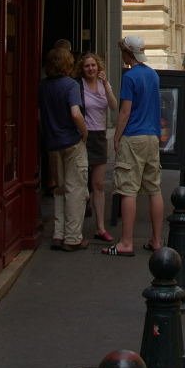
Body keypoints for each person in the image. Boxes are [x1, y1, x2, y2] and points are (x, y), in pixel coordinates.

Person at [103, 35, 163, 256]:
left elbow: (125, 111)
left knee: (128, 190)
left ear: (128, 53)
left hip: (134, 137)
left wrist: (117, 137)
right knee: (154, 189)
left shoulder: (130, 77)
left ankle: (126, 242)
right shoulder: (153, 75)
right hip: (152, 137)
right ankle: (156, 240)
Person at [38, 46, 89, 251]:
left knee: (59, 190)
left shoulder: (43, 86)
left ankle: (58, 235)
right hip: (71, 142)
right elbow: (76, 113)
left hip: (52, 143)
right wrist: (84, 132)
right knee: (76, 190)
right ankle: (73, 237)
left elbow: (39, 116)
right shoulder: (71, 85)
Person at [75, 51, 118, 241]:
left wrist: (107, 84)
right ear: (82, 69)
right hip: (83, 136)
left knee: (98, 184)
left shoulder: (102, 84)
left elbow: (114, 106)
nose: (91, 69)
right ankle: (75, 228)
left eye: (93, 65)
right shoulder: (78, 86)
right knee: (81, 184)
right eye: (87, 66)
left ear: (98, 66)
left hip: (99, 136)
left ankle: (100, 227)